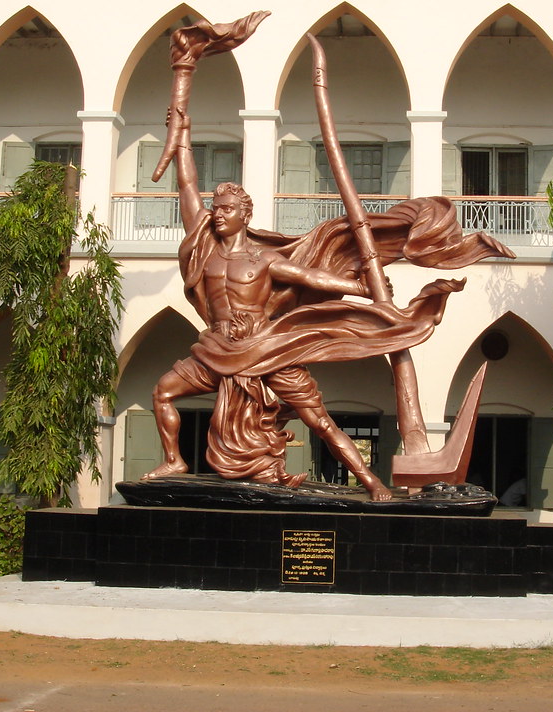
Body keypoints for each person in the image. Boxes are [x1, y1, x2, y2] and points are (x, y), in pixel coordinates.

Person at [144, 110, 395, 500]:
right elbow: (187, 183)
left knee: (319, 420)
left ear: (245, 215)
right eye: (216, 207)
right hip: (217, 348)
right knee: (163, 391)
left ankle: (371, 481)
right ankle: (174, 460)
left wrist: (360, 288)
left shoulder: (264, 259)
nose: (217, 213)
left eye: (226, 209)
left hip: (265, 348)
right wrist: (184, 136)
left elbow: (310, 278)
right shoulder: (205, 249)